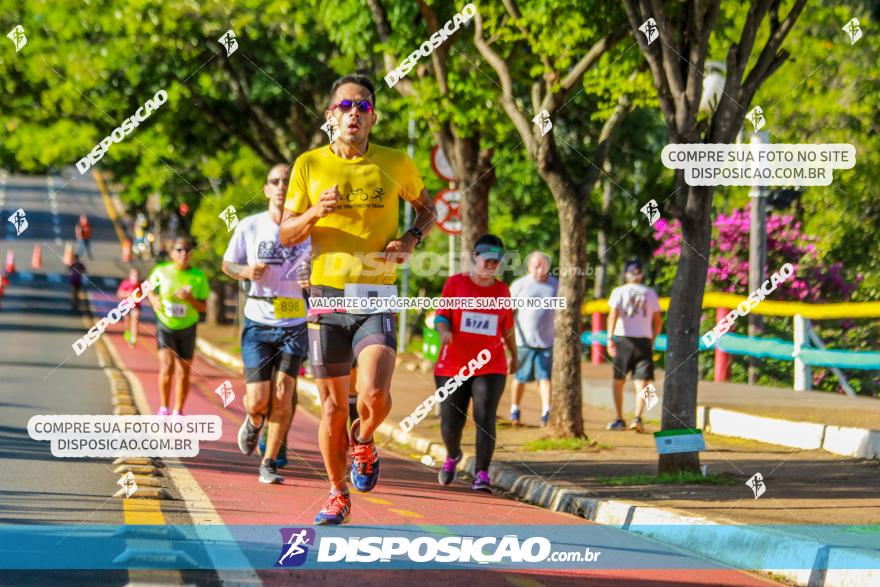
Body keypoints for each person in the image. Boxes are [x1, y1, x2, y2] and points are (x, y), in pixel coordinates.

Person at [280, 73, 436, 525]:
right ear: (331, 116)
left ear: (373, 117)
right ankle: (336, 494)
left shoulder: (396, 161)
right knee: (330, 406)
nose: (354, 113)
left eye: (363, 107)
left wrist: (411, 238)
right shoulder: (309, 165)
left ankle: (364, 440)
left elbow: (429, 209)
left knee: (375, 392)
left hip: (374, 293)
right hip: (326, 296)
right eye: (345, 107)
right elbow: (287, 234)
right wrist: (314, 212)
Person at [223, 164, 311, 484]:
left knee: (284, 393)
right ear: (266, 189)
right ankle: (252, 418)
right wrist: (246, 272)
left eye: (288, 181)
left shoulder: (309, 230)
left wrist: (311, 280)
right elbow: (227, 264)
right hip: (258, 319)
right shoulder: (250, 226)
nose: (282, 186)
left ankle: (269, 461)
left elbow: (324, 273)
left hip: (295, 321)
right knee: (259, 399)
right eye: (275, 181)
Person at [434, 234, 518, 492]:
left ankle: (482, 473)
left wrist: (515, 355)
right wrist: (444, 331)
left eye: (496, 262)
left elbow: (506, 327)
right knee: (450, 423)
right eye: (487, 261)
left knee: (484, 417)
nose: (491, 266)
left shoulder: (502, 291)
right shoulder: (455, 285)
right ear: (474, 258)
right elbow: (441, 316)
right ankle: (453, 455)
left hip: (490, 365)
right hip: (453, 366)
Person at [147, 235, 209, 416]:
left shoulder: (198, 277)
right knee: (166, 366)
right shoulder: (161, 271)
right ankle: (164, 408)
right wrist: (153, 299)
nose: (184, 253)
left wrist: (190, 299)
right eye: (179, 250)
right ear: (172, 253)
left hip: (188, 327)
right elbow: (148, 288)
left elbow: (203, 307)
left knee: (183, 372)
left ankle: (178, 412)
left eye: (187, 250)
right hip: (166, 325)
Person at [606, 258, 662, 433]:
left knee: (618, 381)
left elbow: (613, 315)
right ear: (641, 274)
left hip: (623, 339)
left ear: (626, 274)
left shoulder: (618, 291)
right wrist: (652, 340)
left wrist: (609, 338)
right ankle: (637, 418)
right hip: (643, 340)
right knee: (642, 383)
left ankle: (619, 418)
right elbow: (657, 321)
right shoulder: (650, 293)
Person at [509, 251, 557, 427]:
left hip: (547, 341)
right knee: (520, 377)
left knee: (545, 377)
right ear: (529, 267)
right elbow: (510, 313)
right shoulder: (520, 285)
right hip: (524, 342)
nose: (539, 268)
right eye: (536, 265)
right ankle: (515, 409)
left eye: (543, 265)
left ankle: (546, 411)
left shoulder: (555, 285)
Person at [116, 267, 144, 347]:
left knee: (135, 320)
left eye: (137, 276)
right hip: (126, 306)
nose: (135, 278)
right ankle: (127, 331)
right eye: (134, 276)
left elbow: (144, 295)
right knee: (127, 321)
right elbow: (119, 294)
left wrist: (140, 296)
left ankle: (133, 339)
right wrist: (127, 294)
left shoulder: (140, 285)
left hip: (136, 306)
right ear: (130, 276)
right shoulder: (125, 283)